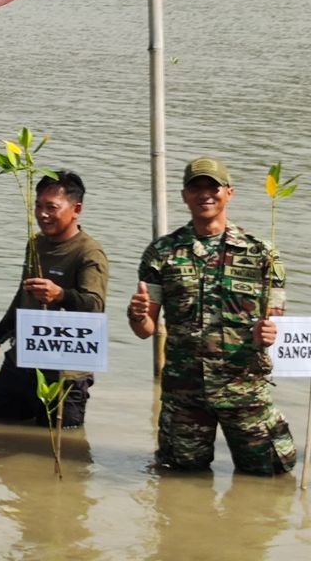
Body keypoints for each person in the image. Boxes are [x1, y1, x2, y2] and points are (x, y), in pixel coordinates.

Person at [127, 157, 297, 475]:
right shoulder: (162, 253)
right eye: (196, 188)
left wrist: (270, 335)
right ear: (184, 196)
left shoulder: (262, 254)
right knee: (179, 484)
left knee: (269, 478)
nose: (205, 194)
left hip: (245, 392)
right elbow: (145, 329)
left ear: (229, 193)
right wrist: (137, 314)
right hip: (185, 395)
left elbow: (277, 328)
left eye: (213, 187)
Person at [0, 171, 108, 428]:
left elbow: (95, 306)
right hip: (22, 359)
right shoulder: (35, 243)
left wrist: (60, 295)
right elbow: (21, 298)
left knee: (66, 448)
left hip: (65, 371)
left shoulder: (89, 252)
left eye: (51, 207)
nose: (42, 214)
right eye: (38, 206)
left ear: (76, 209)